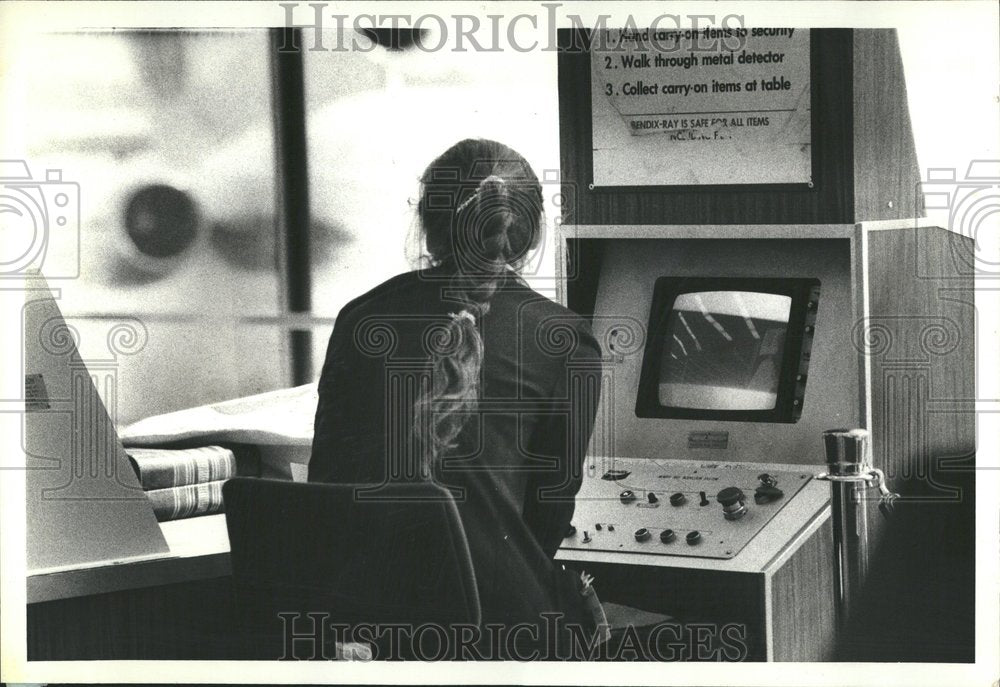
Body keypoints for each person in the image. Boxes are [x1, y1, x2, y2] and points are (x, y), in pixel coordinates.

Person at [308, 138, 604, 659]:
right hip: (499, 636)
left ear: (427, 220)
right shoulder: (565, 339)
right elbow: (548, 515)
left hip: (362, 631)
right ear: (528, 235)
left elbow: (326, 486)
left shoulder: (360, 318)